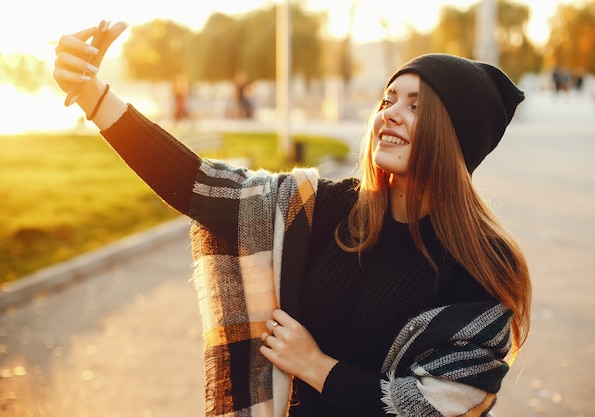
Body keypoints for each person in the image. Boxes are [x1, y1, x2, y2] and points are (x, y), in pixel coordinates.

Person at [53, 22, 531, 417]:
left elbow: (437, 408)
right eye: (388, 100)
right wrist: (94, 96)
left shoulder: (485, 267)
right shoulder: (326, 209)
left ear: (457, 138)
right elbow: (201, 185)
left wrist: (318, 367)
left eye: (416, 105)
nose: (390, 115)